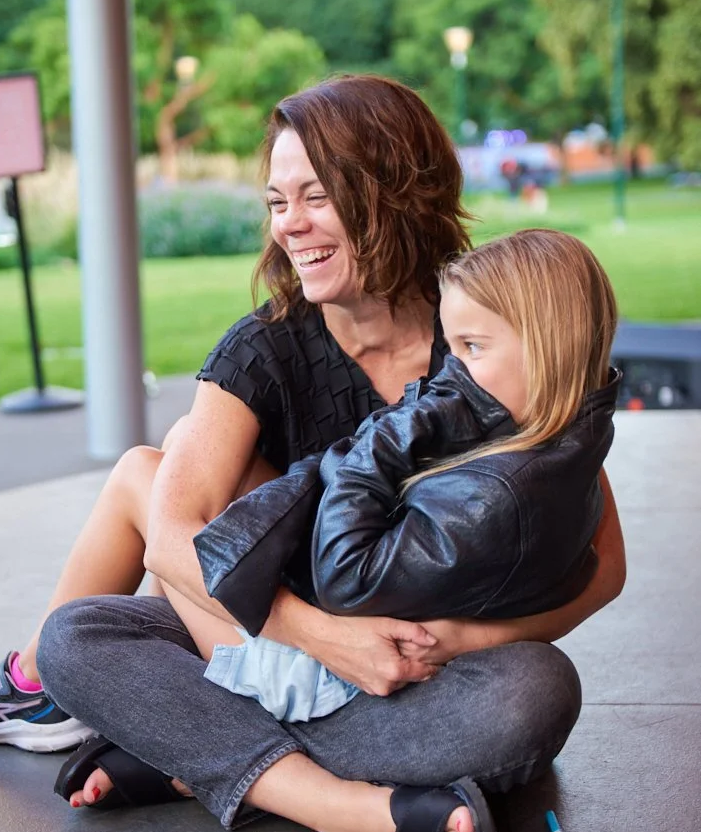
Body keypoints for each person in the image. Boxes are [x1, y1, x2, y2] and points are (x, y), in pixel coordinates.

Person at [0, 75, 625, 832]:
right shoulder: (262, 350)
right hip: (280, 629)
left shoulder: (482, 325)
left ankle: (199, 757)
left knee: (538, 690)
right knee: (79, 636)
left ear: (391, 192)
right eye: (277, 202)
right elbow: (172, 540)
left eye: (315, 196)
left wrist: (455, 641)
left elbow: (602, 564)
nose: (290, 226)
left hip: (420, 662)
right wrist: (325, 639)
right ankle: (349, 805)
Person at [196, 229, 619, 724]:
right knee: (187, 481)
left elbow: (342, 578)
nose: (448, 372)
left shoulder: (501, 491)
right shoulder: (558, 446)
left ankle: (162, 726)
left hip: (326, 676)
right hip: (348, 635)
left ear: (549, 348)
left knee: (144, 483)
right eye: (451, 349)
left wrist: (386, 440)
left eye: (472, 348)